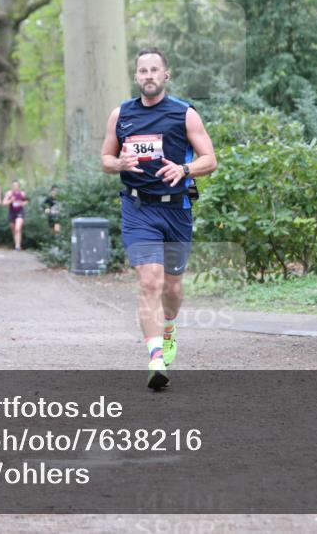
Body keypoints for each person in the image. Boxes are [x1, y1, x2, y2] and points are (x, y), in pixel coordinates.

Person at [100, 47, 216, 389]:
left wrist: (184, 168)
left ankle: (168, 325)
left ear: (166, 75)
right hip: (138, 208)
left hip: (176, 208)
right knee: (150, 282)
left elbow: (210, 160)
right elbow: (105, 158)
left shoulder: (185, 114)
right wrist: (118, 164)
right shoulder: (121, 115)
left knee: (173, 286)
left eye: (155, 70)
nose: (148, 75)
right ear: (136, 76)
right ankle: (155, 358)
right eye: (143, 71)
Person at [3, 180, 28, 251]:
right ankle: (16, 244)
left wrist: (22, 203)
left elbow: (26, 201)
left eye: (16, 185)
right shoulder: (9, 193)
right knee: (14, 229)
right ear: (12, 186)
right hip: (12, 213)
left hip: (20, 212)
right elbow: (4, 203)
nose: (15, 187)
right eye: (14, 185)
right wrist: (11, 200)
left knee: (17, 228)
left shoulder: (22, 193)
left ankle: (18, 246)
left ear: (19, 186)